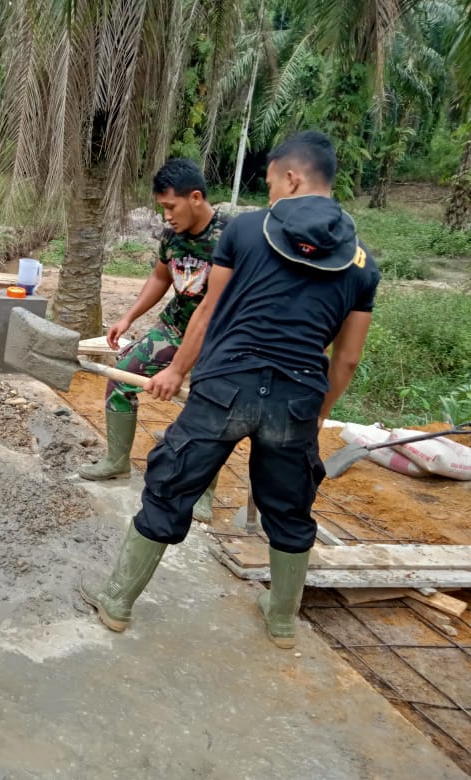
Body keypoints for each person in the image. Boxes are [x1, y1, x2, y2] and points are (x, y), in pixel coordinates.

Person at [79, 131, 380, 649]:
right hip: (297, 397)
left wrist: (177, 371)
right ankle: (282, 621)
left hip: (224, 388)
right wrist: (316, 414)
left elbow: (208, 311)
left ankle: (117, 602)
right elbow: (346, 358)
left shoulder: (245, 230)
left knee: (169, 487)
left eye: (270, 183)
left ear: (291, 176)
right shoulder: (362, 263)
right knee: (289, 509)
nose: (269, 195)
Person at [79, 158, 228, 522]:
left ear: (195, 198)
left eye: (170, 207)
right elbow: (161, 279)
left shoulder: (230, 239)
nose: (167, 217)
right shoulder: (172, 236)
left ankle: (204, 492)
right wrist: (128, 317)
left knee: (212, 408)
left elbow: (219, 305)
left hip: (219, 338)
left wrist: (181, 369)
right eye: (162, 208)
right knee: (121, 378)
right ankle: (117, 461)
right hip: (174, 328)